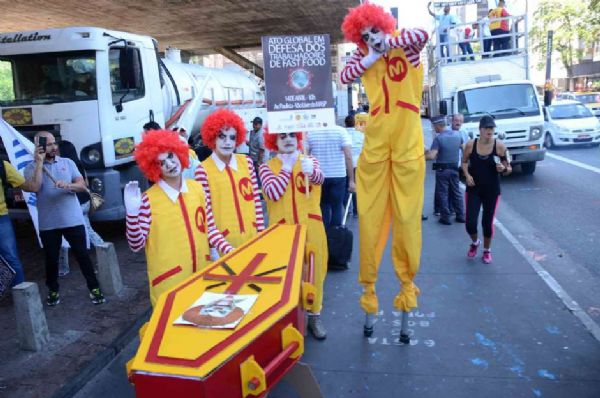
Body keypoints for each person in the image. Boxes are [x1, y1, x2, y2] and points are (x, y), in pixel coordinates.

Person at [341, 3, 428, 338]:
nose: (370, 38)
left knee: (407, 222)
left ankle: (407, 286)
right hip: (377, 148)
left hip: (406, 149)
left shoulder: (407, 46)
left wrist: (386, 42)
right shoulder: (362, 57)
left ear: (384, 26)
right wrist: (371, 53)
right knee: (372, 225)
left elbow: (422, 34)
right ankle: (369, 294)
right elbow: (346, 76)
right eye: (363, 35)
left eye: (373, 31)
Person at [124, 130, 228, 306]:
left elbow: (210, 229)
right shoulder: (148, 201)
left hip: (203, 277)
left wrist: (228, 250)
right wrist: (132, 214)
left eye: (171, 157)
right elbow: (136, 245)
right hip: (170, 285)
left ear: (180, 153)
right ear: (154, 168)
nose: (170, 164)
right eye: (161, 163)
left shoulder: (198, 189)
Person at [259, 130, 328, 339]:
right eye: (282, 136)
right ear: (274, 141)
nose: (288, 139)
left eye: (291, 135)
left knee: (315, 272)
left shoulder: (309, 160)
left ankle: (314, 316)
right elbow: (272, 192)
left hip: (311, 226)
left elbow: (320, 180)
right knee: (286, 278)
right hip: (283, 230)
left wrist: (313, 172)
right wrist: (287, 167)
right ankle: (288, 320)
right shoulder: (266, 167)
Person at [24, 132, 105, 306]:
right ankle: (53, 291)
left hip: (72, 220)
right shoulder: (30, 168)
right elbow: (35, 186)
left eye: (55, 143)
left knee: (82, 256)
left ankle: (94, 288)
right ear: (38, 147)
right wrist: (39, 162)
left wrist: (68, 185)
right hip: (48, 223)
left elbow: (82, 185)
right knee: (51, 260)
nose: (54, 147)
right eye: (49, 144)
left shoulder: (67, 163)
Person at [195, 109, 265, 255]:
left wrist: (261, 233)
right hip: (224, 248)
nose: (227, 142)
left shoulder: (247, 162)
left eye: (232, 137)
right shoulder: (203, 171)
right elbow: (208, 218)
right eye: (222, 137)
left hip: (253, 241)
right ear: (212, 137)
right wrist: (220, 249)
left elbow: (256, 203)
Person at [462, 116, 512, 264]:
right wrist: (467, 174)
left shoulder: (500, 146)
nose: (490, 131)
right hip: (473, 189)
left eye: (492, 128)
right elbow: (464, 162)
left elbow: (508, 167)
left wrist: (504, 168)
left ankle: (486, 250)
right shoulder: (471, 145)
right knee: (470, 223)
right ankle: (475, 242)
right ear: (480, 129)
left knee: (487, 223)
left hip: (491, 190)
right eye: (487, 128)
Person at [57, 140, 105, 277]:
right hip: (85, 202)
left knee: (68, 234)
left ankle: (64, 268)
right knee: (86, 230)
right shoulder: (79, 163)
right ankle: (104, 251)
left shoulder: (65, 167)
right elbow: (86, 183)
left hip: (75, 204)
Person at [0, 152, 44, 286]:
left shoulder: (3, 166)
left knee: (11, 258)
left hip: (1, 219)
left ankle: (22, 296)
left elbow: (33, 187)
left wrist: (40, 163)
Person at [306, 126, 354, 228]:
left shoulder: (311, 132)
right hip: (338, 175)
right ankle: (336, 233)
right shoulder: (341, 131)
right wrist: (351, 180)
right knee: (337, 206)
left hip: (319, 177)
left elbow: (304, 155)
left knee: (323, 206)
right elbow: (348, 156)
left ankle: (325, 235)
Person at [426, 116, 465, 225]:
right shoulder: (458, 135)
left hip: (442, 169)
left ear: (439, 126)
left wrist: (422, 155)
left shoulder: (438, 139)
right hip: (454, 168)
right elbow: (464, 149)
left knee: (442, 193)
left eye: (434, 127)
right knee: (456, 192)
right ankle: (460, 215)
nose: (434, 129)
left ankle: (445, 217)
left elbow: (432, 156)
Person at [344, 114, 364, 218]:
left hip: (345, 164)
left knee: (346, 186)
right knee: (355, 186)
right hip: (358, 163)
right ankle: (356, 211)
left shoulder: (343, 133)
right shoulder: (360, 133)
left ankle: (347, 211)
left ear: (345, 124)